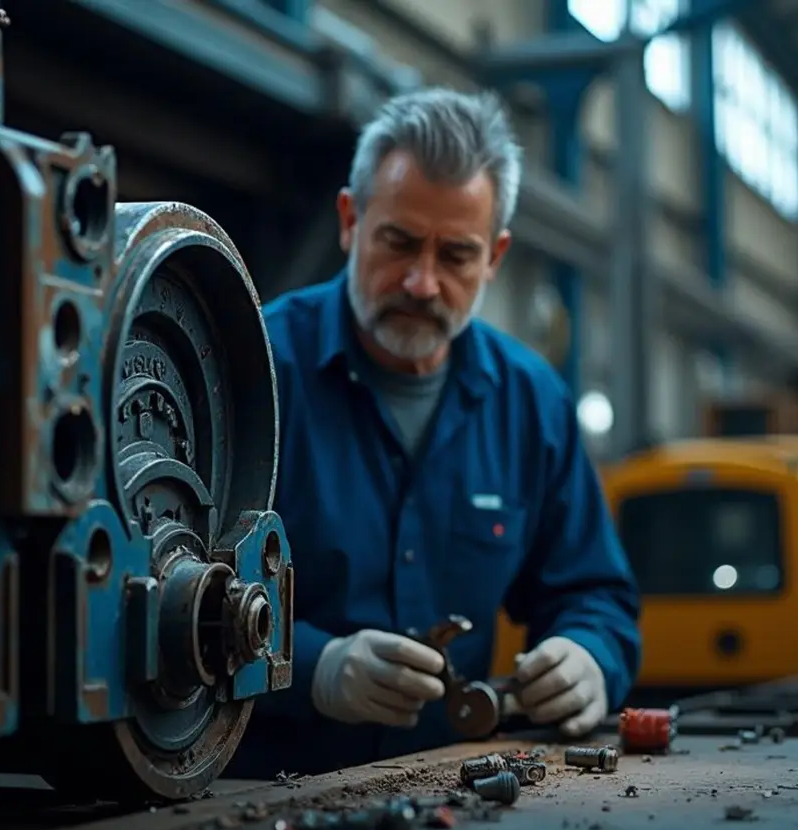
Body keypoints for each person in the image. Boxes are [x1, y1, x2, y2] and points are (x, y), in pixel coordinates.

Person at [226, 87, 642, 778]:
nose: (422, 282)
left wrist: (588, 656)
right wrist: (312, 668)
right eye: (399, 242)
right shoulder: (249, 368)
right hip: (248, 799)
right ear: (350, 220)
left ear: (495, 257)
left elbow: (594, 593)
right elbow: (167, 599)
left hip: (455, 799)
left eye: (455, 255)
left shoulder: (531, 404)